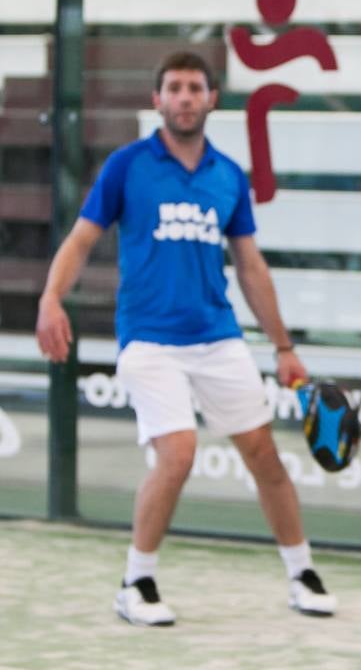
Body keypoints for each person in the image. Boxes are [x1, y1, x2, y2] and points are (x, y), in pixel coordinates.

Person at [36, 51, 336, 626]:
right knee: (177, 454)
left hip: (217, 338)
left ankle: (301, 571)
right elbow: (79, 241)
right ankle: (136, 581)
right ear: (158, 100)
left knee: (264, 455)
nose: (184, 96)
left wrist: (283, 346)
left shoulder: (228, 176)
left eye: (195, 87)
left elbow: (250, 267)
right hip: (149, 341)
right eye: (173, 87)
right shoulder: (127, 166)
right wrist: (51, 298)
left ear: (211, 98)